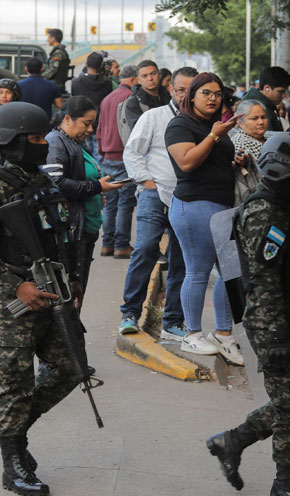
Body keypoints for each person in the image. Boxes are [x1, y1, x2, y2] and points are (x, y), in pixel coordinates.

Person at [0, 102, 87, 496]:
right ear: (12, 143)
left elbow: (62, 235)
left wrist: (74, 279)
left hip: (55, 293)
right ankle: (12, 461)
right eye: (33, 139)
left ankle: (9, 430)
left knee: (72, 368)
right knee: (14, 383)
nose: (41, 145)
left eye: (41, 138)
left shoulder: (44, 182)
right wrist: (15, 284)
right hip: (15, 302)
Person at [206, 133, 290, 496]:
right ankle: (287, 486)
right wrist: (277, 337)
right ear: (282, 174)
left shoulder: (287, 206)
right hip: (276, 322)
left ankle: (232, 441)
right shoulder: (265, 212)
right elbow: (264, 282)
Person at [165, 72, 242, 365]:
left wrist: (235, 161)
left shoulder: (214, 125)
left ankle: (223, 333)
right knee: (198, 271)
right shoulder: (180, 125)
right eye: (206, 93)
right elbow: (187, 162)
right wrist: (214, 136)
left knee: (230, 272)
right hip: (194, 205)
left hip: (222, 206)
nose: (213, 98)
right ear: (192, 95)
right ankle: (192, 334)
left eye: (218, 94)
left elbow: (214, 161)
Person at [118, 66, 198, 339]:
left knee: (181, 259)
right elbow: (132, 152)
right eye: (180, 89)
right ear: (171, 89)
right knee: (145, 249)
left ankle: (173, 321)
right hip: (154, 193)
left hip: (188, 198)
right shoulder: (153, 116)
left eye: (191, 90)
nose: (185, 95)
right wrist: (146, 181)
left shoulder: (203, 123)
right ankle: (130, 313)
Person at [45, 96, 122, 293]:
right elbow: (57, 183)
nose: (90, 129)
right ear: (68, 118)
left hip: (85, 229)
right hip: (72, 232)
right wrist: (95, 187)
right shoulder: (56, 143)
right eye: (86, 123)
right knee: (72, 293)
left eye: (92, 124)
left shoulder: (75, 142)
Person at [97, 65, 138, 258]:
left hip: (107, 156)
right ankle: (121, 245)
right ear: (133, 79)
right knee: (125, 203)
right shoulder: (130, 98)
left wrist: (101, 151)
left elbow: (99, 128)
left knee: (110, 204)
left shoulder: (107, 99)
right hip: (123, 156)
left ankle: (107, 244)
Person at [231, 99, 268, 206]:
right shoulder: (240, 142)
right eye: (254, 118)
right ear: (240, 122)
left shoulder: (264, 140)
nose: (261, 122)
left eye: (263, 117)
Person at [123, 60, 171, 131]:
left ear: (159, 75)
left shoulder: (170, 97)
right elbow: (139, 131)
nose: (150, 78)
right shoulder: (134, 103)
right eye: (144, 76)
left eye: (153, 74)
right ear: (138, 80)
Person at [241, 66, 290, 132]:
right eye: (280, 91)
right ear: (267, 89)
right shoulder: (261, 111)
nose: (284, 95)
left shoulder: (252, 104)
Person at [43, 28, 70, 93]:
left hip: (55, 85)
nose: (47, 39)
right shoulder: (58, 51)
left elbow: (53, 69)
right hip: (55, 84)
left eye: (49, 37)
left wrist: (40, 77)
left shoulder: (58, 52)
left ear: (53, 38)